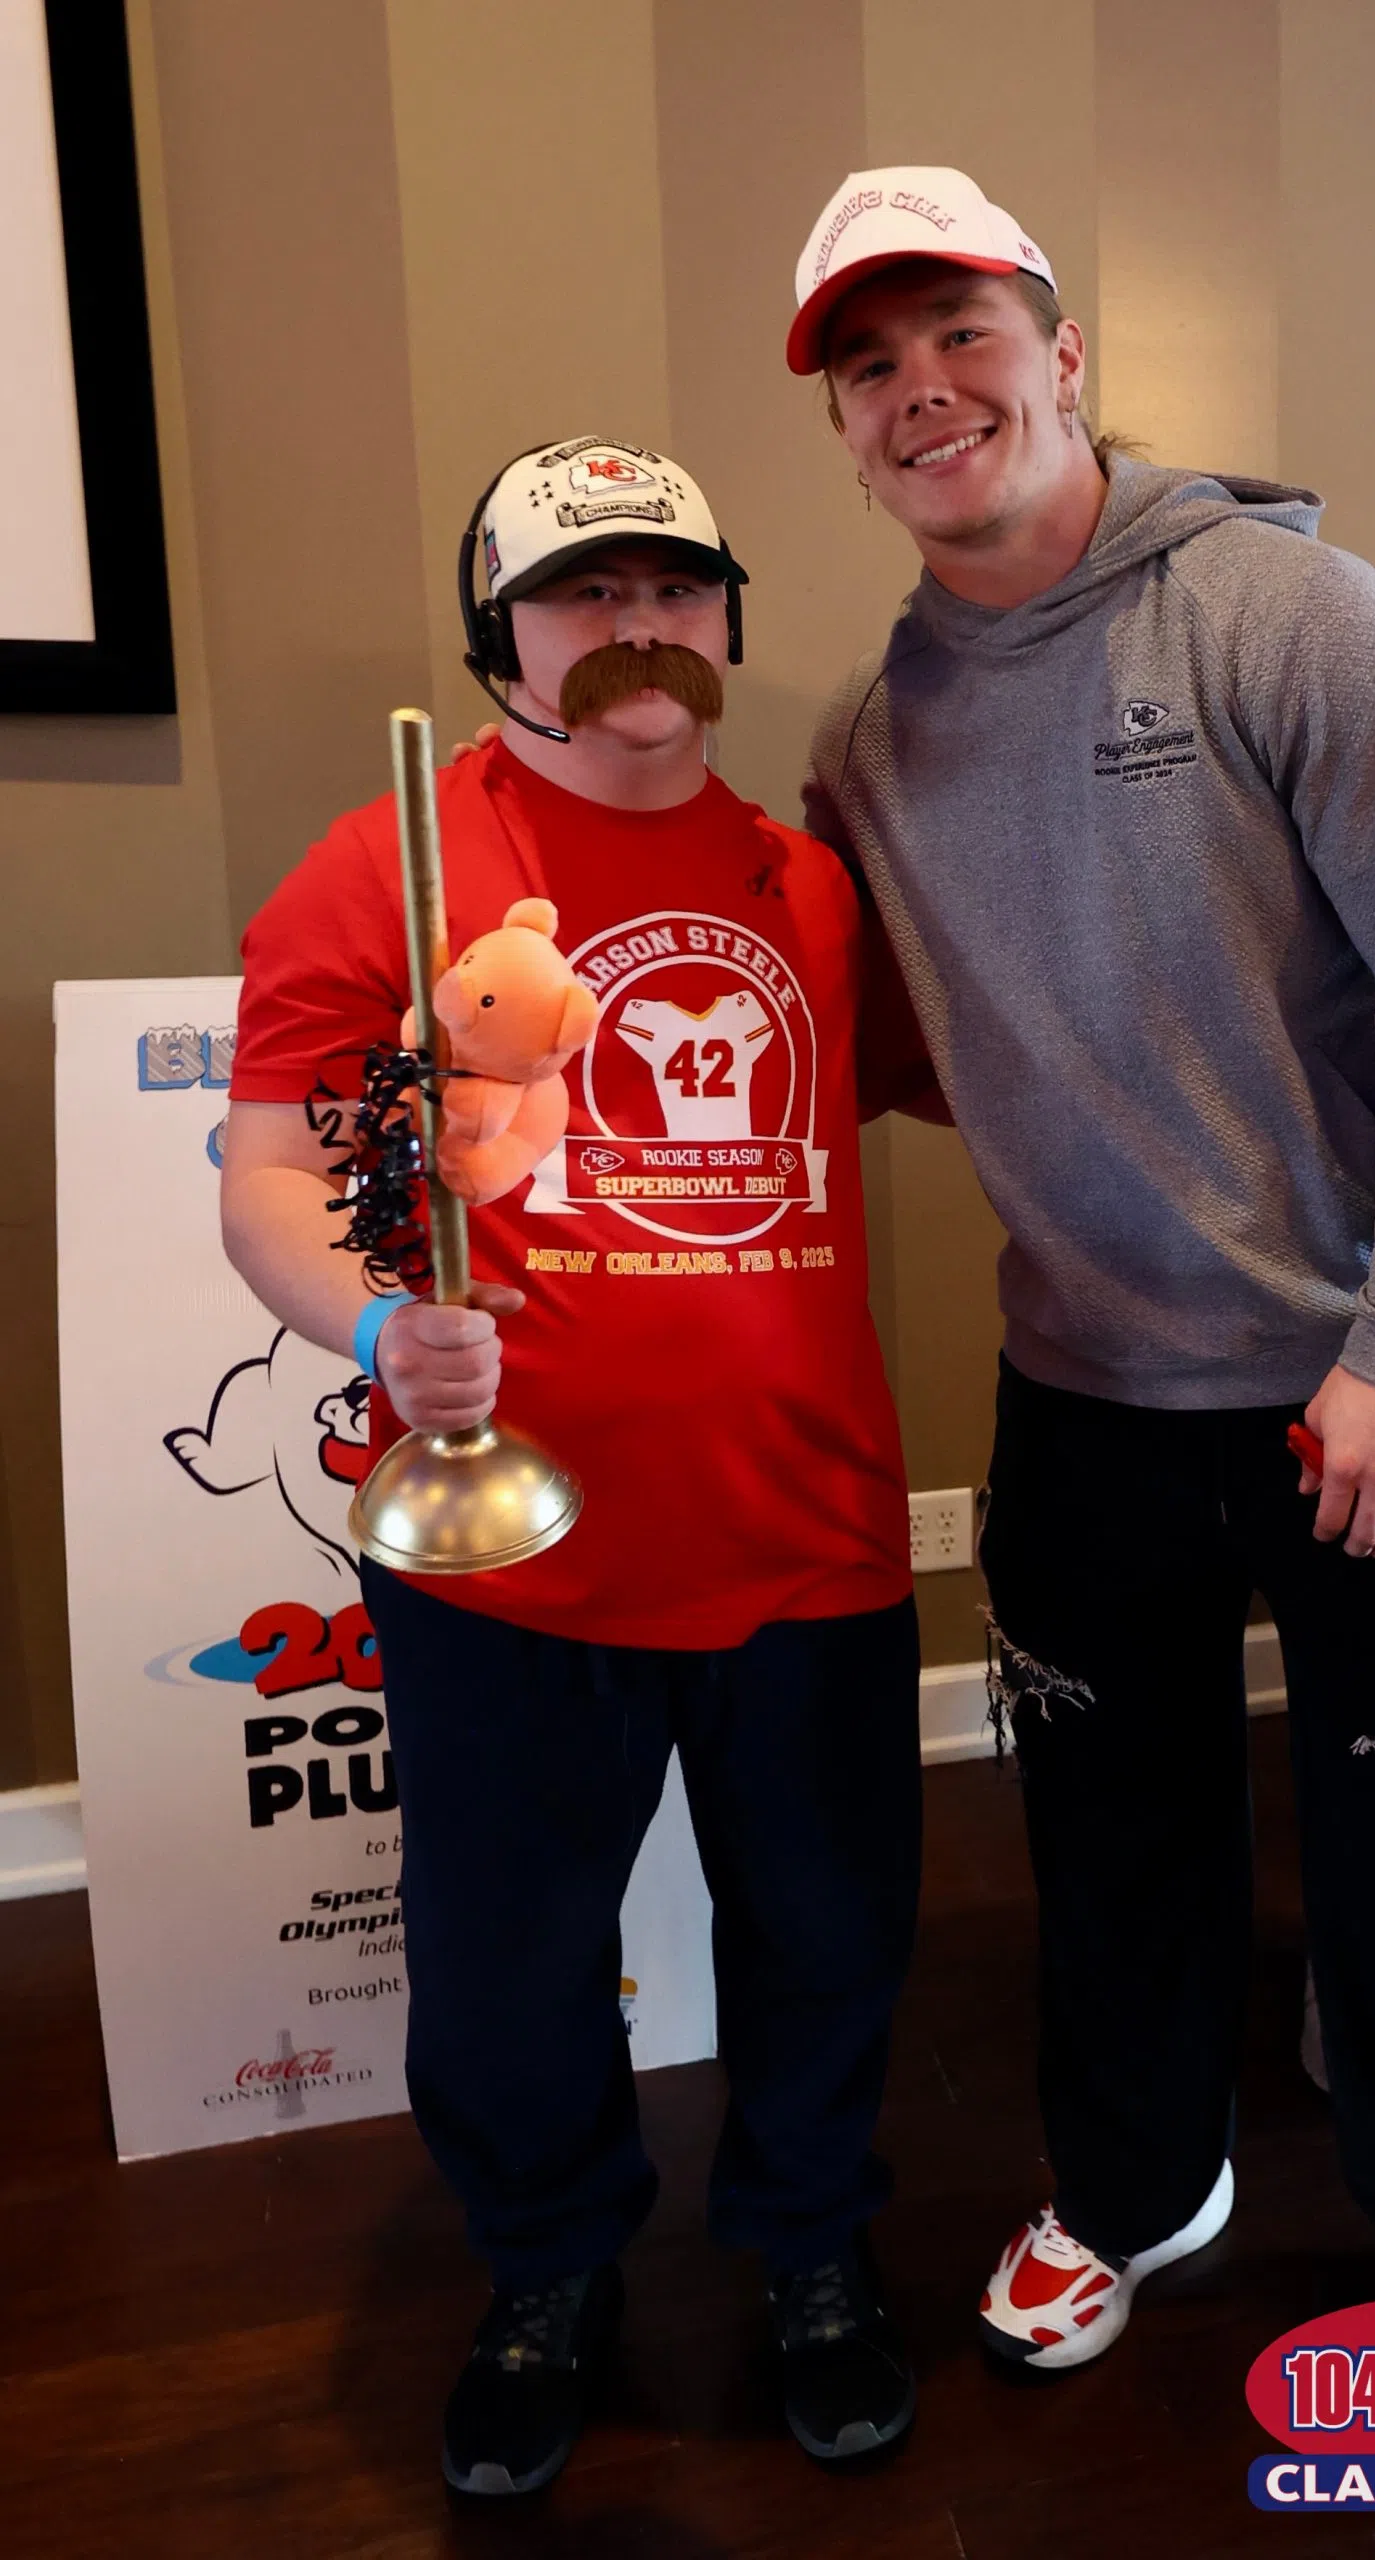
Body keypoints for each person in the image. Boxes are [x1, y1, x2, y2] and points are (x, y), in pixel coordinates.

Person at [787, 165, 1375, 2355]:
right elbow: (914, 1046)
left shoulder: (1279, 613)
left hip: (1365, 1384)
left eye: (961, 334)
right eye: (870, 365)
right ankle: (1138, 2183)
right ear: (843, 433)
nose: (924, 390)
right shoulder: (869, 737)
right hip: (1084, 1392)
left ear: (1061, 354)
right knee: (1112, 1841)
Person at [221, 439, 938, 2494]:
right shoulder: (391, 864)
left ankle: (808, 2245)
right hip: (506, 1544)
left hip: (805, 1524)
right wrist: (378, 1325)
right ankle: (546, 2270)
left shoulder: (817, 880)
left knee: (826, 1927)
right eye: (582, 592)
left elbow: (979, 1082)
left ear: (724, 614)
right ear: (500, 636)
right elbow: (269, 1174)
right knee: (510, 1957)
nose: (638, 626)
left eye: (673, 586)